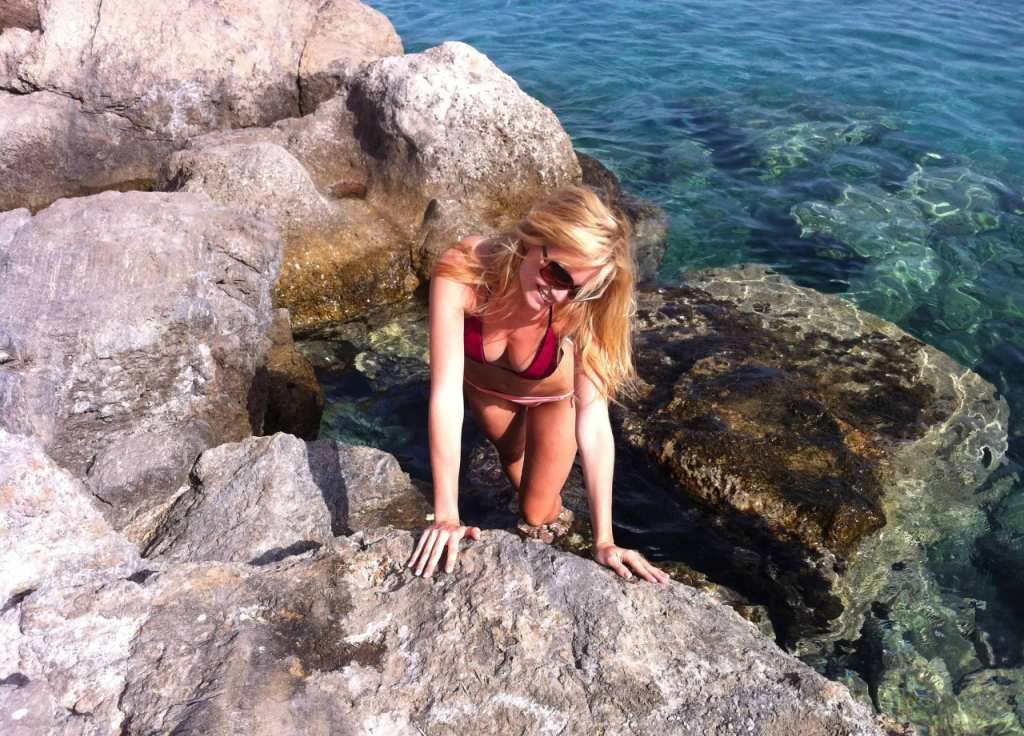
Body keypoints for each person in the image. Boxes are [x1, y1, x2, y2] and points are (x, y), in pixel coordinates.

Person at [406, 185, 669, 585]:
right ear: (533, 238)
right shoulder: (464, 270)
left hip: (552, 400)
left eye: (576, 289)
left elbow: (594, 419)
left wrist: (605, 540)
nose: (560, 294)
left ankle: (560, 516)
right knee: (511, 458)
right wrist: (446, 516)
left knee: (535, 512)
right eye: (557, 273)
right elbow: (445, 394)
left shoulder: (579, 307)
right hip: (487, 393)